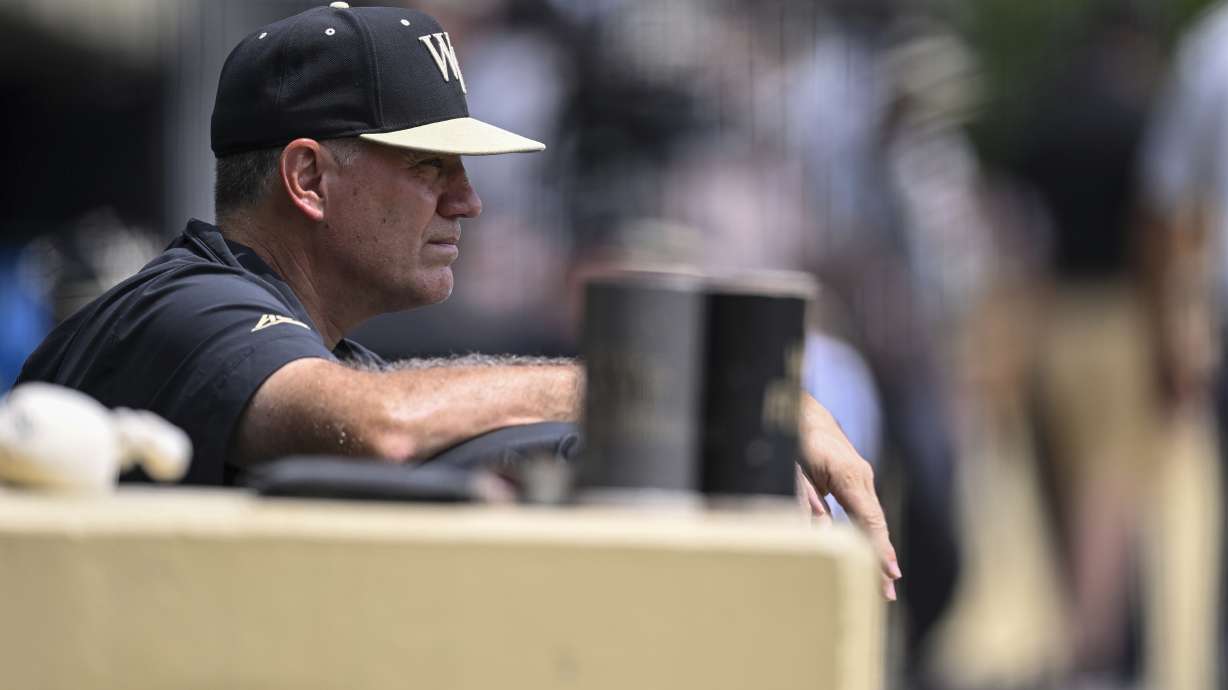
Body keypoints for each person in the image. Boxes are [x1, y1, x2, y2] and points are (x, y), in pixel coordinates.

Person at [15, 3, 899, 598]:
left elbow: (415, 423)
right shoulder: (184, 306)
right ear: (308, 177)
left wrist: (713, 421)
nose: (467, 200)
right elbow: (383, 426)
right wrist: (634, 387)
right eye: (430, 166)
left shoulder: (302, 346)